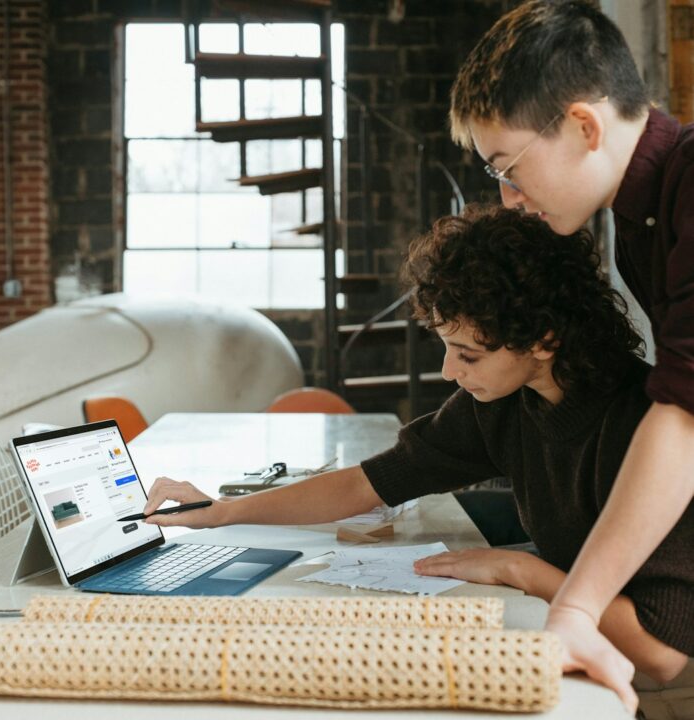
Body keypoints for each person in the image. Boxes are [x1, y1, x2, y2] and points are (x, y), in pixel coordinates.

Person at [143, 206, 693, 713]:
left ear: (543, 340)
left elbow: (663, 655)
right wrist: (220, 512)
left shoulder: (645, 427)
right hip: (593, 639)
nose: (450, 372)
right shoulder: (506, 403)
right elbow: (368, 483)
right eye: (447, 348)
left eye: (468, 354)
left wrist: (518, 569)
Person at [447, 0, 694, 712]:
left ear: (585, 126)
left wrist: (577, 608)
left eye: (511, 166)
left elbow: (682, 412)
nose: (509, 196)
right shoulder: (645, 210)